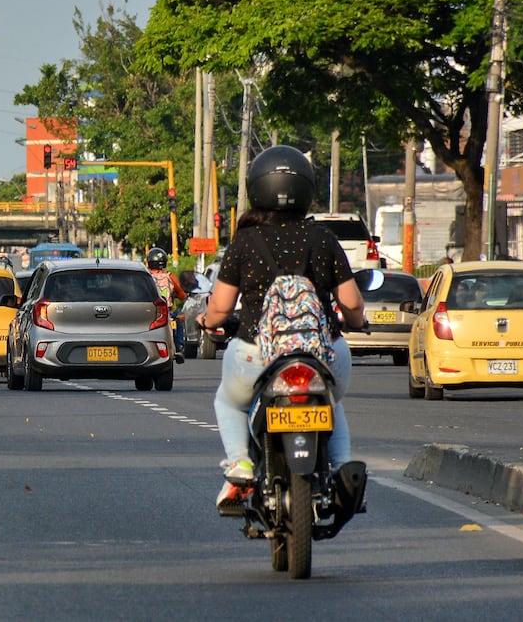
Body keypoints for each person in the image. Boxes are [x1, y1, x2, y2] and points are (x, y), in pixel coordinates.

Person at [195, 145, 366, 508]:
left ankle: (240, 463)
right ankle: (341, 469)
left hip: (256, 354)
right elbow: (351, 303)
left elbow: (220, 308)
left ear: (257, 187)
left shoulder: (245, 241)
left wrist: (206, 322)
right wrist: (357, 323)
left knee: (229, 402)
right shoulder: (323, 238)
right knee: (331, 400)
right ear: (306, 188)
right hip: (323, 353)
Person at [146, 247, 187, 363]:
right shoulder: (170, 277)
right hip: (169, 312)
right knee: (179, 320)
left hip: (151, 312)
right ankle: (179, 347)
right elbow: (182, 295)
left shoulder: (147, 277)